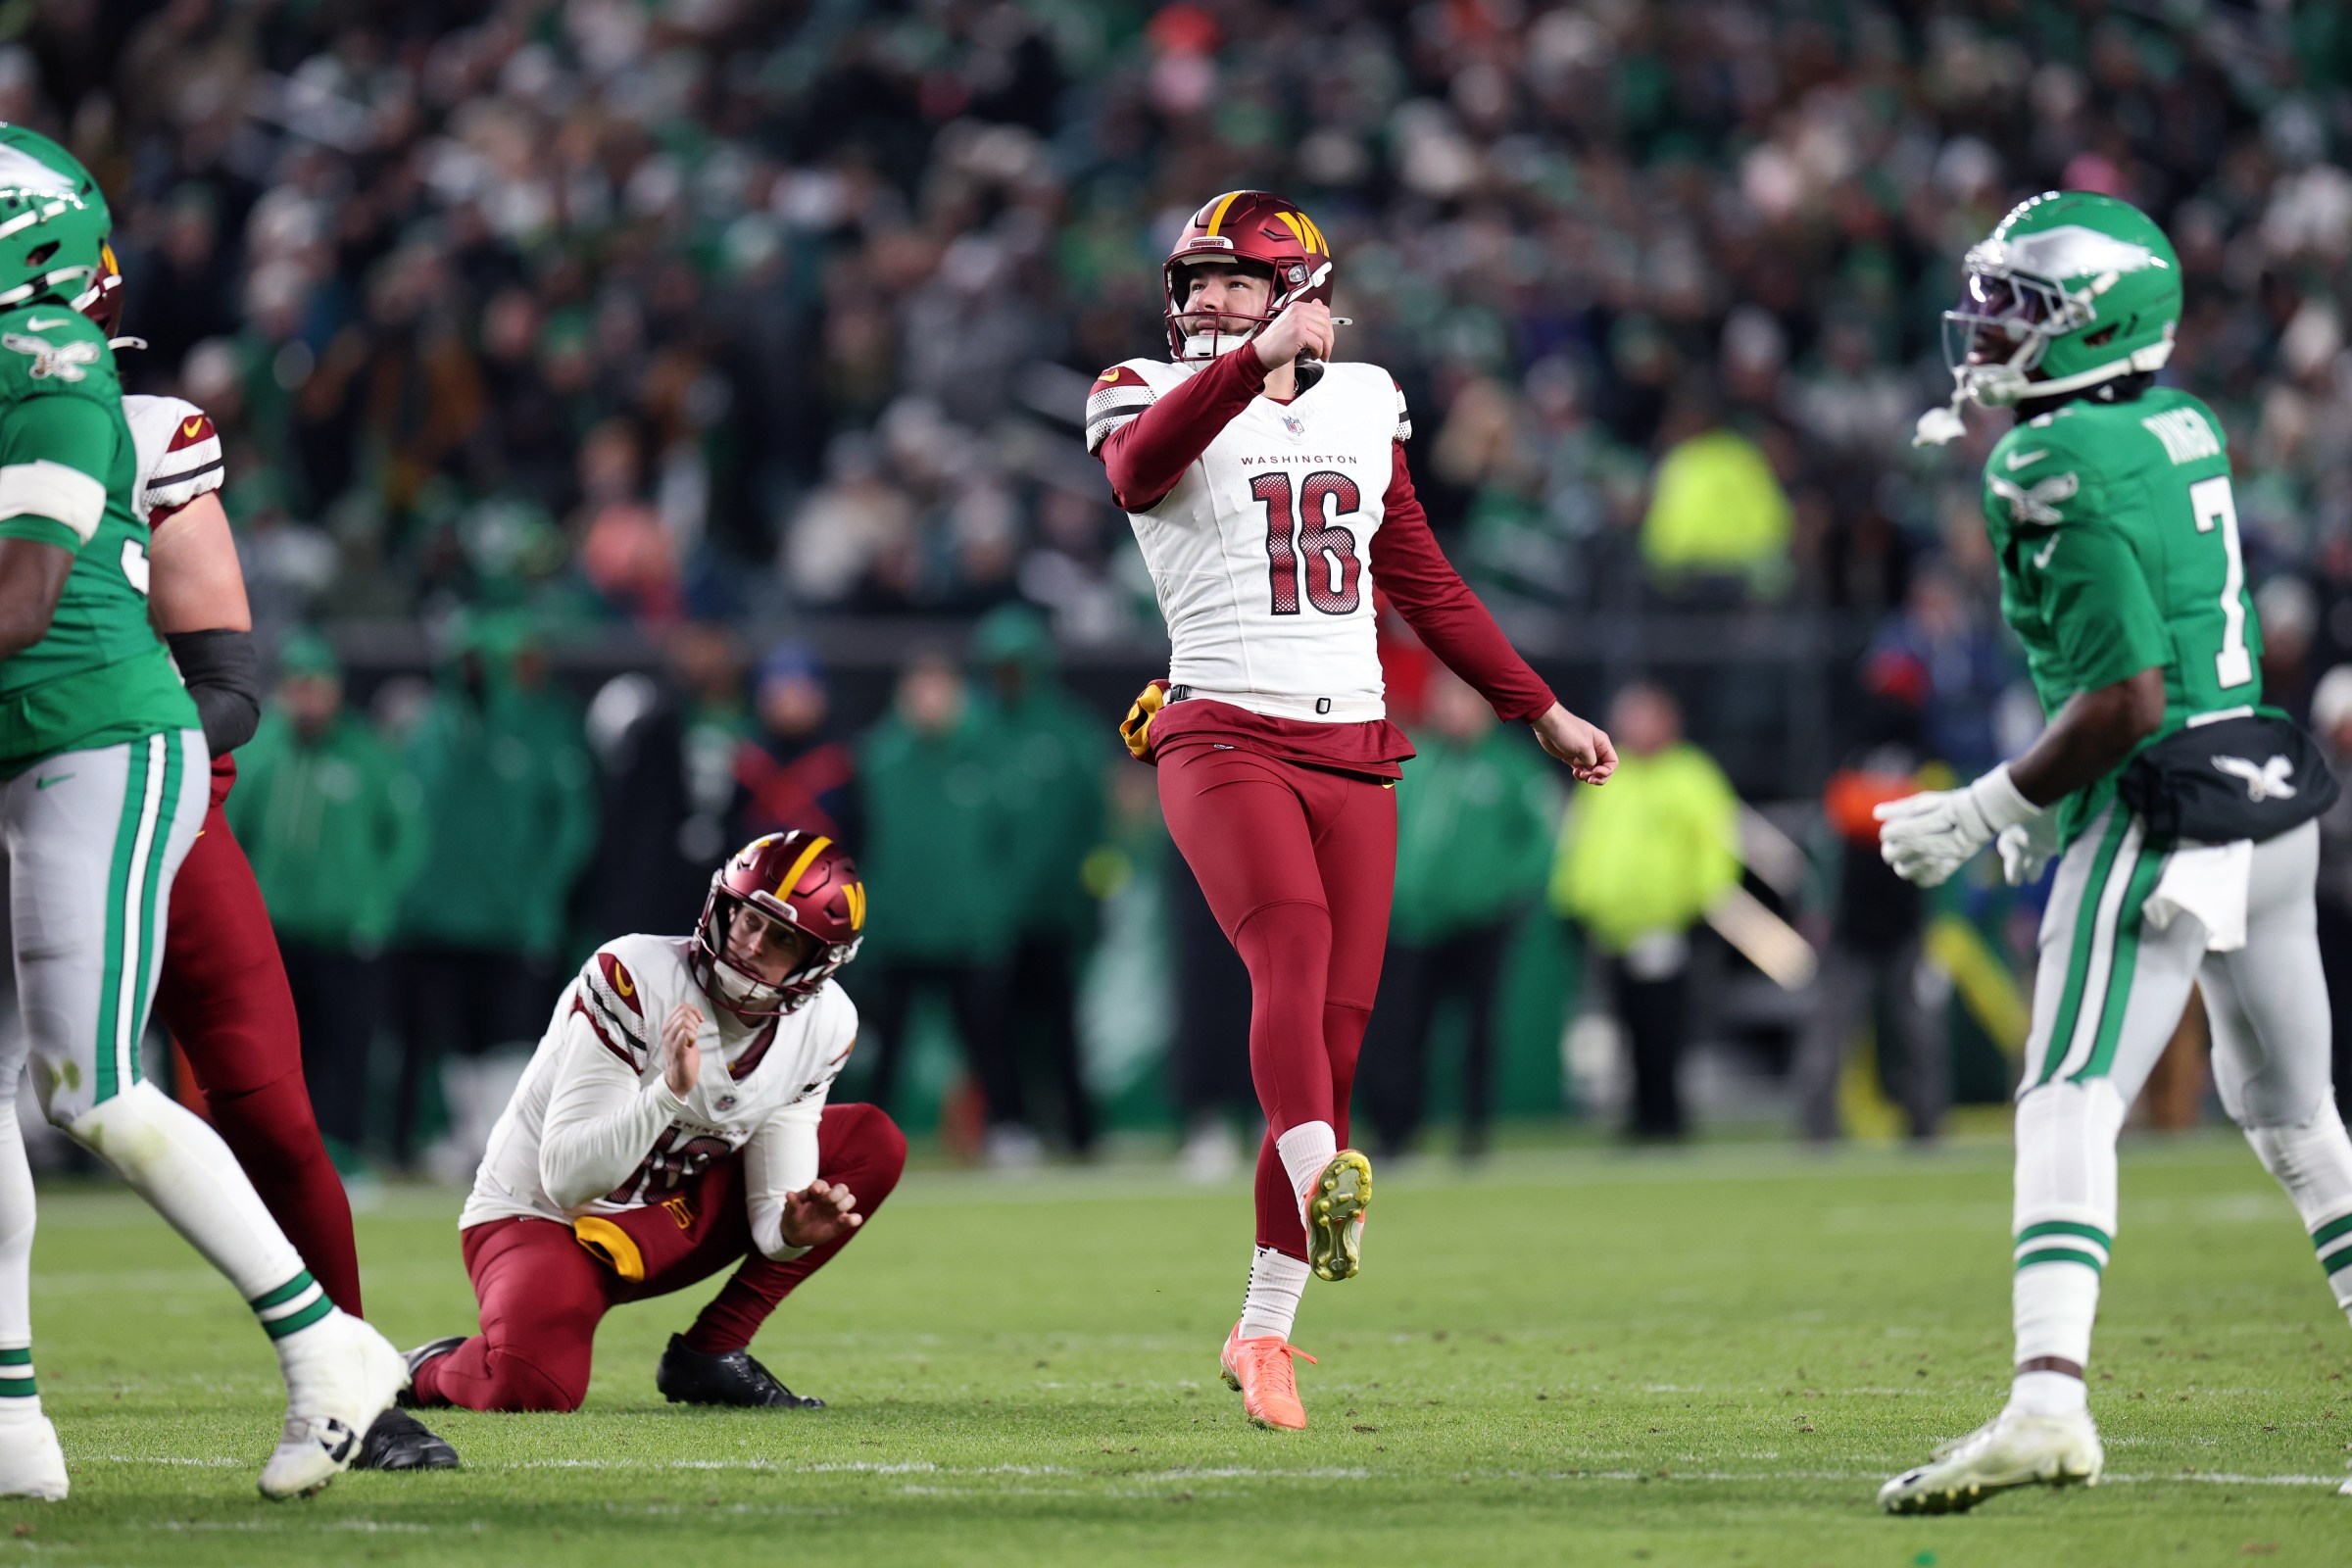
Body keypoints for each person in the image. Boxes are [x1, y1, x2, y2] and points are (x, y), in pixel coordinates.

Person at [1092, 190, 1615, 1431]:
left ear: (1301, 289)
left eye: (1234, 282)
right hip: (1221, 730)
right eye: (1196, 282)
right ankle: (1330, 1176)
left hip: (1355, 742)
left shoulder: (1366, 397)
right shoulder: (1135, 386)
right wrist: (1253, 368)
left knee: (1333, 1038)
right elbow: (1139, 469)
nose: (1206, 301)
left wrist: (1534, 708)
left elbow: (1419, 572)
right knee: (1288, 953)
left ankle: (1264, 1331)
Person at [1878, 191, 2352, 1512]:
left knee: (2070, 1094)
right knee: (2300, 1121)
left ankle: (2046, 1401)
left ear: (2094, 324)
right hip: (2268, 798)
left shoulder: (2044, 461)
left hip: (2164, 806)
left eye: (2018, 304)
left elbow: (2129, 693)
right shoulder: (2180, 418)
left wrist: (1996, 807)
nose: (1985, 324)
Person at [0, 129, 404, 1502]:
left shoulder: (88, 399)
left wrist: (170, 775)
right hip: (26, 758)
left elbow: (183, 659)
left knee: (164, 1089)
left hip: (117, 759)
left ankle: (338, 1350)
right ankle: (12, 1427)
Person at [402, 830, 905, 1414]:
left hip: (670, 1217)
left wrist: (793, 1233)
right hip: (544, 1217)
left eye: (782, 937)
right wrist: (668, 1093)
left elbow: (773, 1213)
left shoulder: (827, 1024)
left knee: (872, 1143)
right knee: (533, 1387)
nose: (749, 942)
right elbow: (567, 1176)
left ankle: (714, 1353)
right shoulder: (635, 974)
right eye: (746, 918)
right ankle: (416, 1369)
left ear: (819, 962)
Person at [391, 609, 599, 1174]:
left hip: (514, 918)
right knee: (451, 1035)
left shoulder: (547, 727)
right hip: (436, 917)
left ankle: (509, 1139)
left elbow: (573, 826)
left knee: (512, 1034)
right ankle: (470, 1137)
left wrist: (540, 893)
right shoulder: (430, 728)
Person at [228, 633, 428, 1181]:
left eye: (318, 686)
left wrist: (374, 905)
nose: (309, 697)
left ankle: (343, 1154)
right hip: (275, 932)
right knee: (280, 1052)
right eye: (299, 686)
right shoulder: (263, 750)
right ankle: (283, 1156)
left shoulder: (369, 754)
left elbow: (408, 839)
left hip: (348, 933)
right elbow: (230, 834)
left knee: (348, 1049)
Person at [1360, 669, 1561, 1159]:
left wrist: (1504, 890)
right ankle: (1397, 1132)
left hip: (1479, 923)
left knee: (1478, 1029)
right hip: (1412, 921)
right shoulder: (1417, 761)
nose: (1451, 711)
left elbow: (1543, 838)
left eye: (1461, 701)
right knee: (1401, 1030)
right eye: (1444, 701)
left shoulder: (1511, 767)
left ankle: (1475, 1131)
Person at [1547, 683, 1740, 1141]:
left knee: (1666, 1028)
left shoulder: (1691, 776)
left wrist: (1701, 905)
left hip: (1667, 926)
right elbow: (1583, 843)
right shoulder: (1609, 776)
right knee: (1626, 1026)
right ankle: (1639, 1113)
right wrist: (1572, 900)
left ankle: (1667, 1115)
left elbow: (1715, 845)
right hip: (1612, 928)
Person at [853, 654, 1020, 1156]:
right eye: (920, 688)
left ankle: (1011, 1131)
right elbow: (858, 842)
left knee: (989, 1042)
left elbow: (1005, 845)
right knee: (887, 1052)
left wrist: (990, 911)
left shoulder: (983, 755)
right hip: (898, 931)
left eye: (939, 687)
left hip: (966, 931)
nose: (929, 700)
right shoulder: (874, 759)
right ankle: (863, 1142)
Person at [973, 605, 1105, 1157]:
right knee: (999, 1031)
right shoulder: (976, 733)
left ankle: (1079, 1132)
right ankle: (1012, 1128)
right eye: (998, 666)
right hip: (995, 915)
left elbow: (1096, 828)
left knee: (1062, 1029)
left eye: (1016, 665)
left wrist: (1091, 897)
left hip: (1057, 913)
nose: (1007, 676)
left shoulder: (1071, 733)